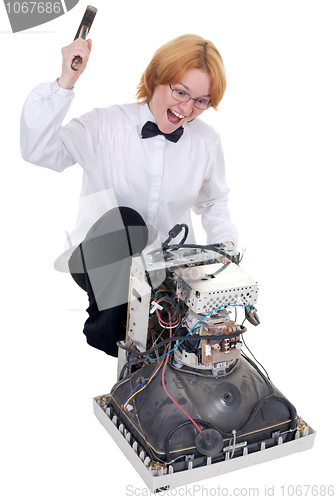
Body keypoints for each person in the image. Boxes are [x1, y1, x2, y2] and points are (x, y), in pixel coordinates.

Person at [20, 34, 238, 357]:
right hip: (100, 263)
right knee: (128, 221)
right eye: (181, 92)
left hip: (163, 270)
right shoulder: (105, 126)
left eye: (201, 101)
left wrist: (226, 247)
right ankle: (114, 340)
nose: (187, 108)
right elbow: (37, 150)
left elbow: (214, 201)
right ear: (156, 79)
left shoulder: (206, 143)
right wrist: (65, 81)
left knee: (200, 338)